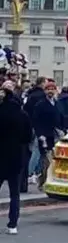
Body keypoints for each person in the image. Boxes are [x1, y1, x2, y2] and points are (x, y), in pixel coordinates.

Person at [0, 85, 33, 234]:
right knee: (15, 193)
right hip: (16, 156)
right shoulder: (22, 114)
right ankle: (12, 224)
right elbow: (28, 137)